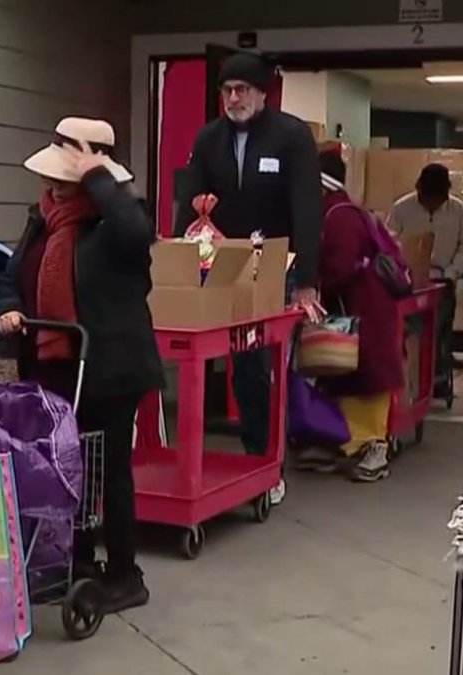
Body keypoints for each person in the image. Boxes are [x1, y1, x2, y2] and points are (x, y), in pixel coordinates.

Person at [0, 117, 163, 613]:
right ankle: (78, 560)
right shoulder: (41, 218)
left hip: (109, 366)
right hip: (54, 366)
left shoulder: (118, 219)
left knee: (108, 471)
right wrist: (10, 306)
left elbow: (138, 236)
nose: (53, 186)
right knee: (68, 468)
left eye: (65, 178)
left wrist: (98, 178)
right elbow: (13, 272)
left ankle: (125, 573)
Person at [175, 51, 324, 505]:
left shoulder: (291, 137)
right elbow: (189, 202)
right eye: (227, 90)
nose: (234, 98)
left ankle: (266, 460)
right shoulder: (209, 139)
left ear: (262, 93)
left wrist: (307, 281)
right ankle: (252, 454)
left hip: (278, 266)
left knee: (266, 363)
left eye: (243, 90)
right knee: (239, 366)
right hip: (221, 265)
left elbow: (306, 209)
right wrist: (178, 264)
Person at [295, 152, 403, 482]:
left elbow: (339, 268)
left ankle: (375, 446)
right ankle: (344, 443)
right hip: (362, 309)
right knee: (348, 374)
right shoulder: (345, 210)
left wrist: (307, 284)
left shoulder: (337, 217)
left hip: (365, 310)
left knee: (367, 377)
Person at [386, 163, 463, 398]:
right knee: (409, 330)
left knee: (438, 330)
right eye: (426, 198)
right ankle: (411, 377)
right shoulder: (402, 208)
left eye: (435, 200)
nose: (430, 204)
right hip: (409, 282)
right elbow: (389, 242)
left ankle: (437, 376)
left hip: (443, 279)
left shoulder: (458, 211)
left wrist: (451, 273)